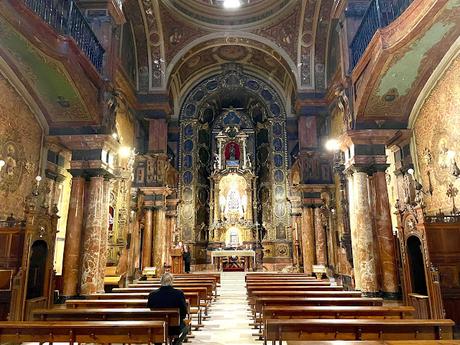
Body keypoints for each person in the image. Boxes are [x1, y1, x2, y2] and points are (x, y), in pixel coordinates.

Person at [147, 273, 189, 345]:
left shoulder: (152, 294)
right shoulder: (178, 293)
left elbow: (148, 310)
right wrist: (179, 319)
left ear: (161, 281)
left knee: (158, 329)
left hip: (157, 327)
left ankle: (158, 343)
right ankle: (176, 343)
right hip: (174, 328)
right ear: (172, 281)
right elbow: (184, 311)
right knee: (186, 329)